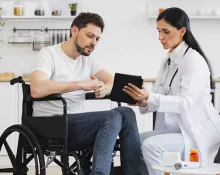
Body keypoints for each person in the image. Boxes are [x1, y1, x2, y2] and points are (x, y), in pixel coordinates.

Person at [30, 12, 143, 175]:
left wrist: (105, 89)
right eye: (90, 36)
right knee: (111, 117)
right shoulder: (49, 54)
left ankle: (133, 173)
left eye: (97, 39)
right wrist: (80, 85)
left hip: (76, 124)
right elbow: (37, 89)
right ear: (74, 31)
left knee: (126, 112)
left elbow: (112, 82)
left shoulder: (88, 59)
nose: (93, 43)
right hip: (52, 124)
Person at [123, 7, 220, 175]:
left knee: (150, 146)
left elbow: (185, 103)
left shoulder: (194, 61)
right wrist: (142, 100)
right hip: (176, 130)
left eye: (166, 32)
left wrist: (151, 97)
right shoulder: (167, 60)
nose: (160, 37)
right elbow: (158, 96)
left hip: (196, 132)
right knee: (133, 142)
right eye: (159, 31)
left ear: (182, 31)